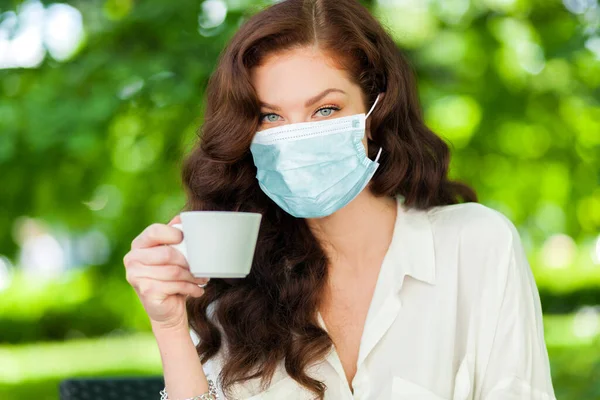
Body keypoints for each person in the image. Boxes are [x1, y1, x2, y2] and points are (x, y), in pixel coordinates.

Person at [122, 0, 557, 399]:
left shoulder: (478, 246)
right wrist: (170, 327)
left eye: (325, 110)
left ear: (375, 110)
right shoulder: (229, 275)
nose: (295, 136)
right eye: (270, 116)